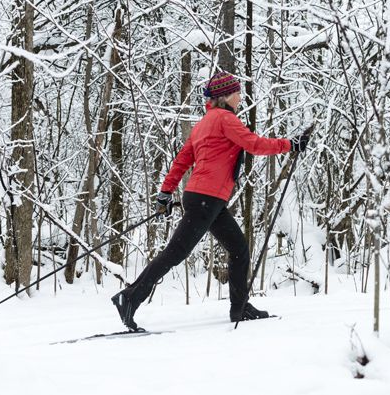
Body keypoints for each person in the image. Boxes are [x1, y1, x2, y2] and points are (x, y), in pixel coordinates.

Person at [111, 72, 311, 330]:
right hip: (206, 199)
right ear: (227, 95)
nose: (240, 98)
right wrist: (290, 144)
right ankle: (128, 298)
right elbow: (254, 144)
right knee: (176, 253)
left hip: (207, 201)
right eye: (237, 93)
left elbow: (182, 160)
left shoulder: (203, 123)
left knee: (239, 248)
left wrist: (166, 192)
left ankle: (240, 308)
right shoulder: (225, 119)